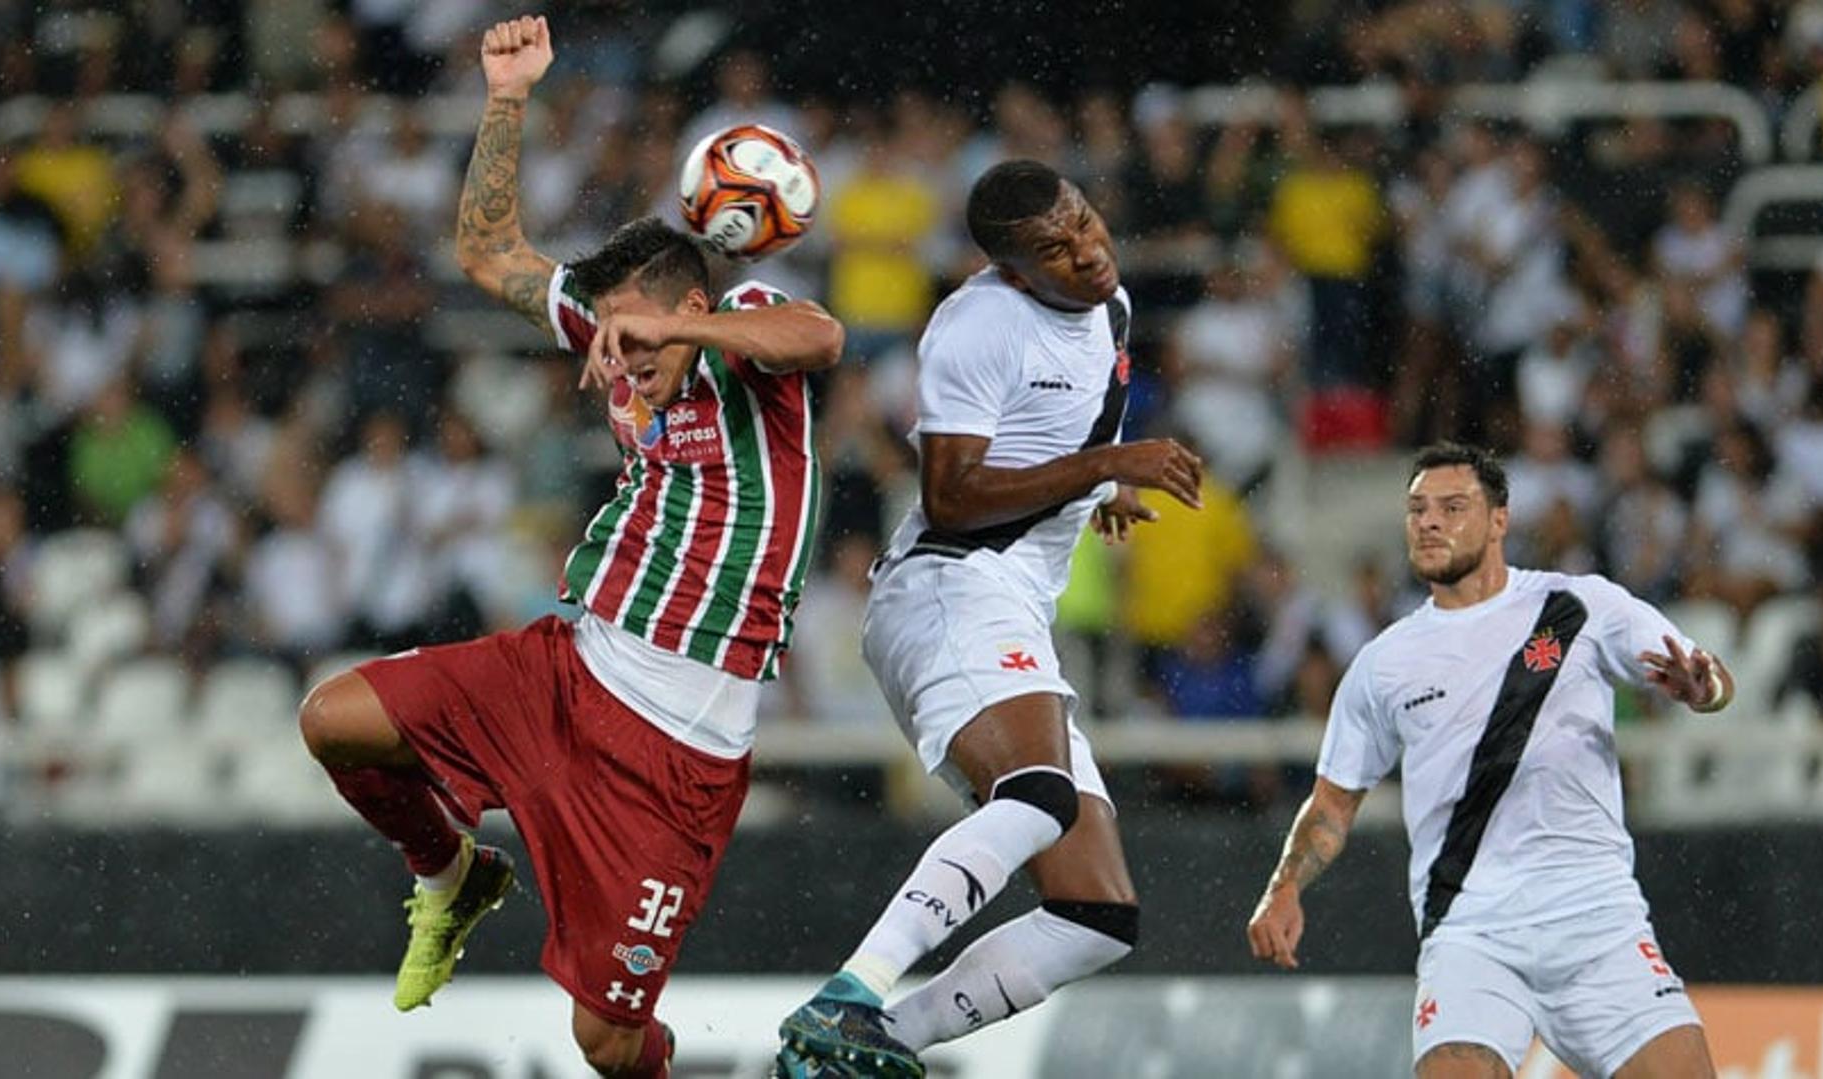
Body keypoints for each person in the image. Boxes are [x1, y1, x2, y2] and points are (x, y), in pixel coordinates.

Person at [296, 17, 843, 1079]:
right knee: (334, 721)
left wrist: (681, 335)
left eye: (637, 334)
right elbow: (487, 253)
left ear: (693, 308)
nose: (620, 357)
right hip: (565, 668)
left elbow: (819, 336)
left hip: (676, 754)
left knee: (607, 1041)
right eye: (609, 336)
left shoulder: (750, 339)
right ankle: (452, 872)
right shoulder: (613, 331)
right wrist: (507, 97)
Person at [774, 160, 1204, 1077]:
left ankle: (870, 1047)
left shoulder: (1112, 304)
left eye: (1084, 223)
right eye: (1056, 248)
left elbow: (1056, 439)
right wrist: (1101, 470)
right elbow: (953, 494)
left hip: (1009, 598)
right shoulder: (978, 326)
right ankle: (850, 994)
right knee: (1038, 796)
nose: (1087, 252)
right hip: (948, 586)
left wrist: (1099, 487)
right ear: (1012, 268)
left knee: (1096, 916)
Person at [1246, 442, 1732, 1079]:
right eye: (1417, 509)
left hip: (1594, 919)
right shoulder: (1383, 665)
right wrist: (1284, 887)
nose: (1429, 522)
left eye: (1452, 507)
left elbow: (1711, 678)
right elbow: (1334, 803)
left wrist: (1705, 690)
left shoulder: (1578, 607)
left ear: (1499, 520)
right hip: (1471, 931)